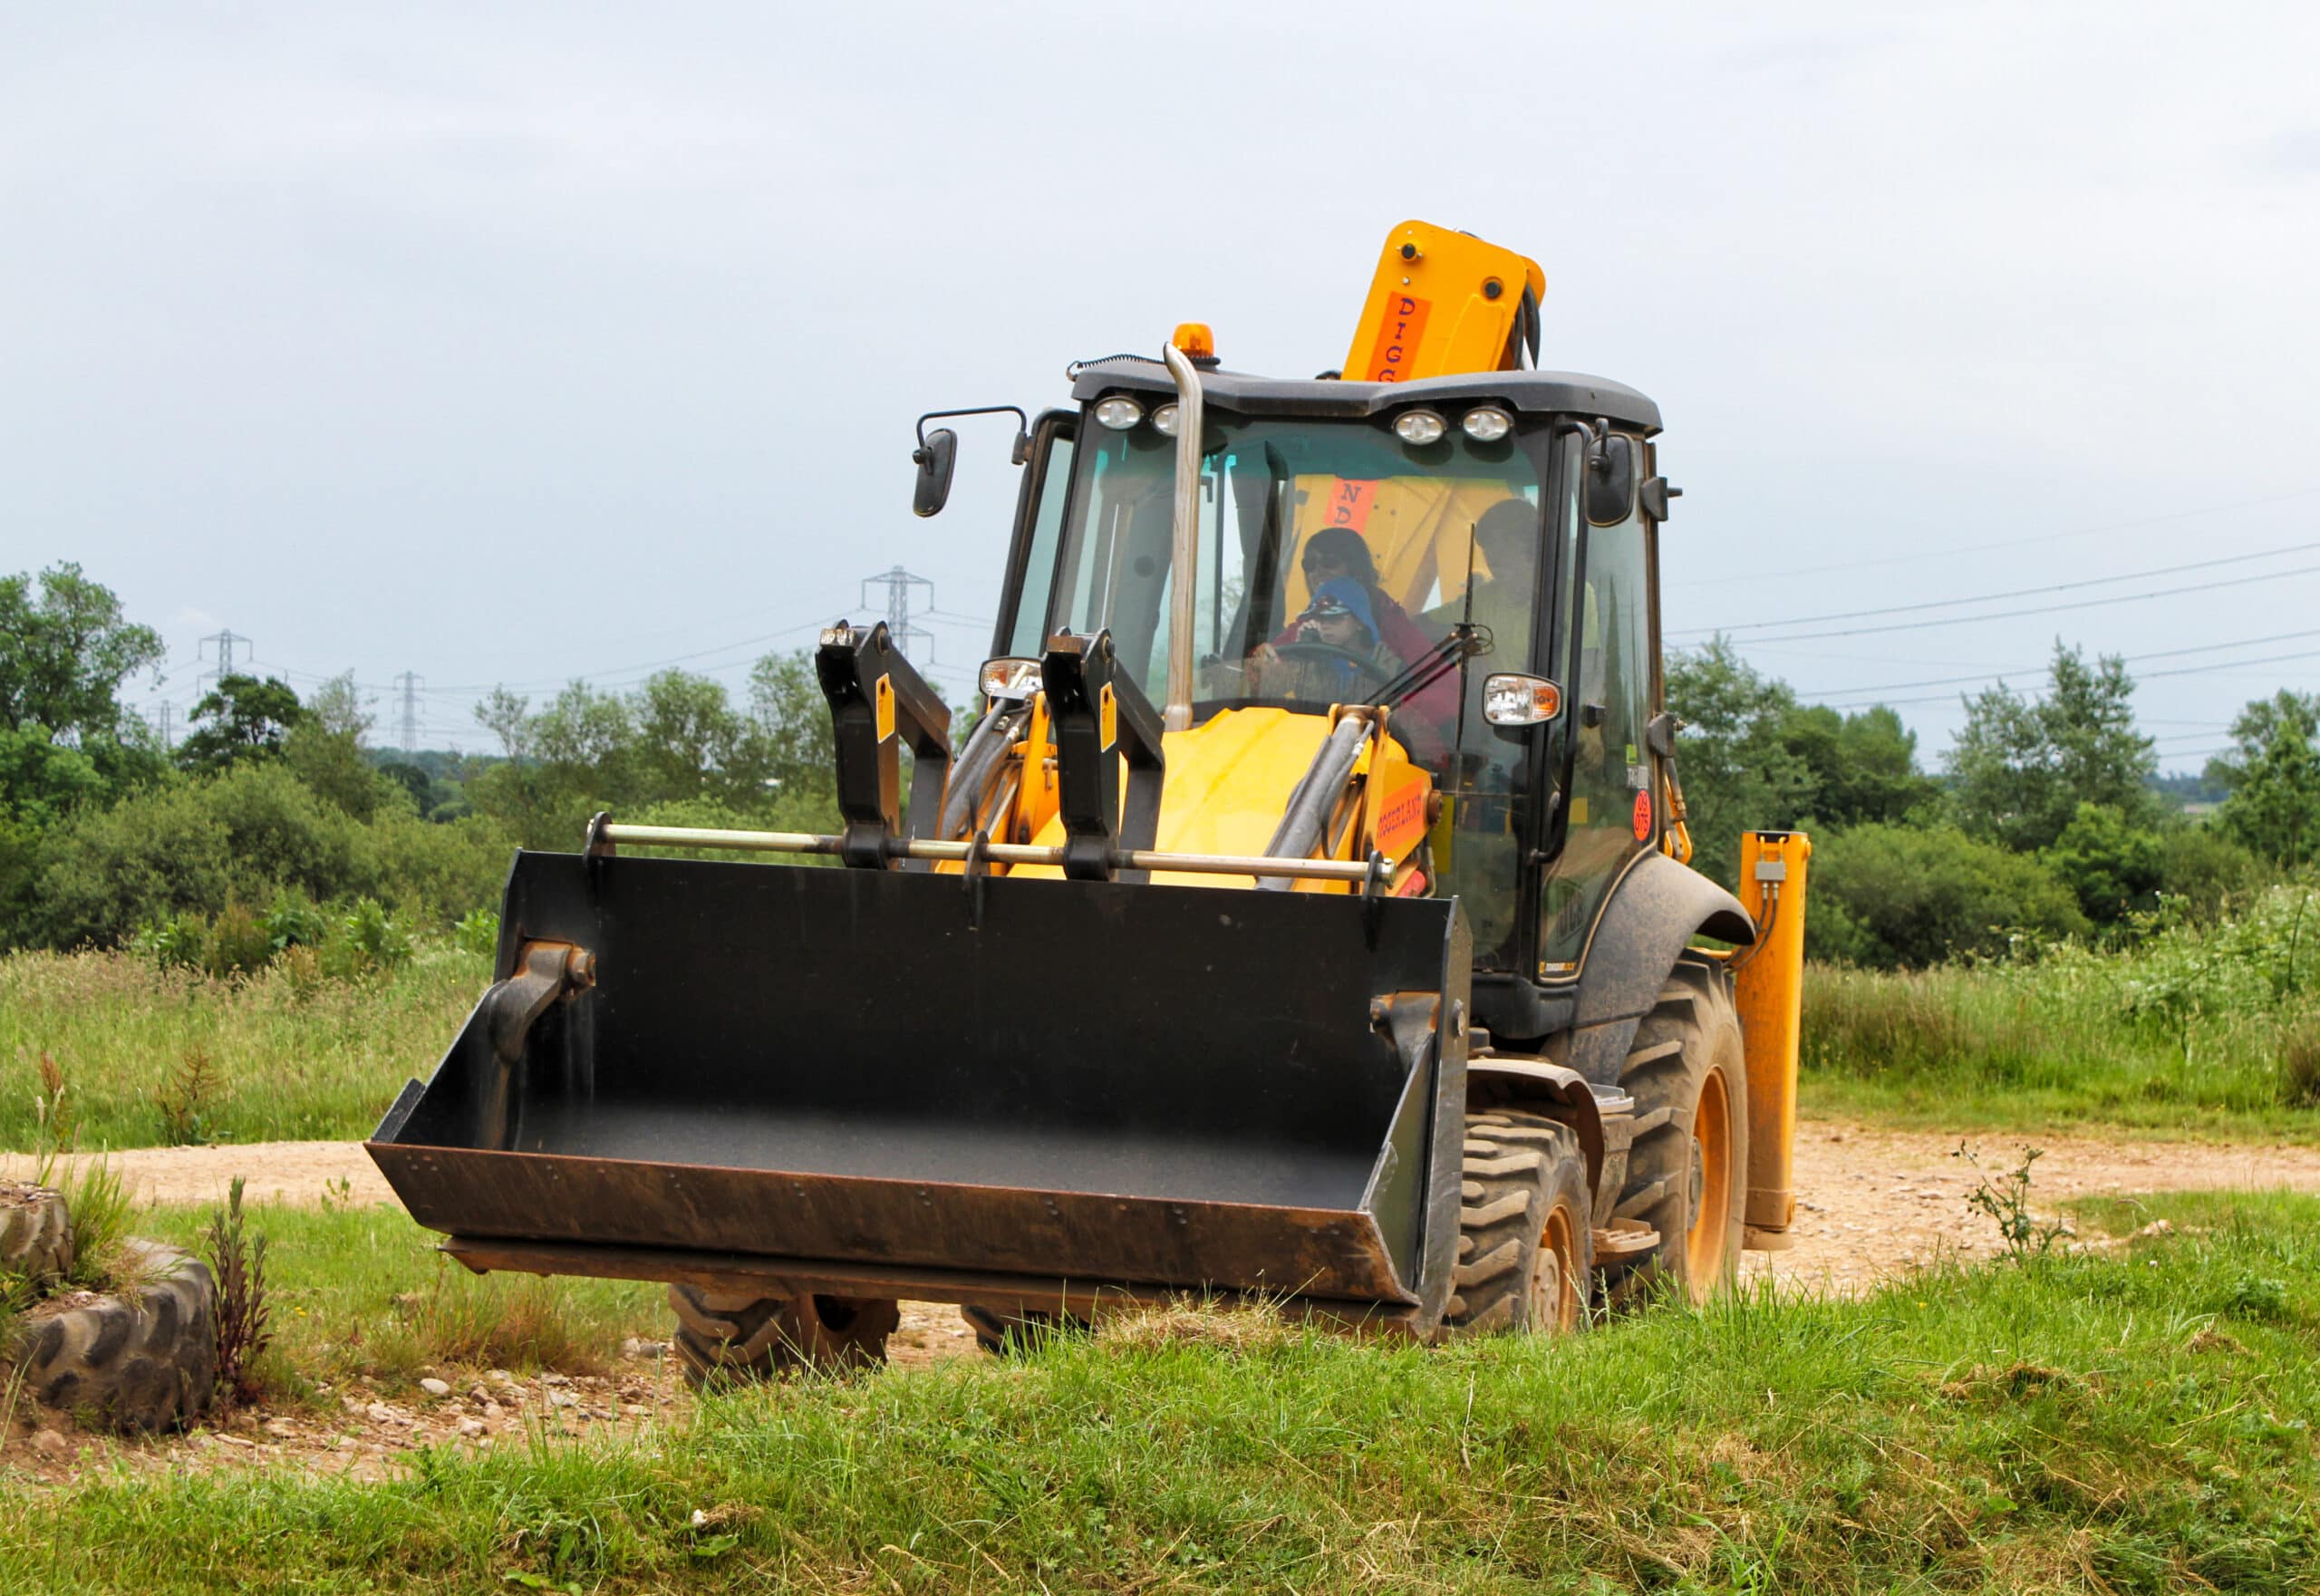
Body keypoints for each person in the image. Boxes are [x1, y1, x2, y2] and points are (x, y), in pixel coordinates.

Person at [1245, 577, 1406, 702]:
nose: (1325, 626)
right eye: (1319, 618)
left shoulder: (1390, 664)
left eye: (1334, 619)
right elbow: (1259, 692)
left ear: (1360, 620)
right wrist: (1301, 654)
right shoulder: (1312, 660)